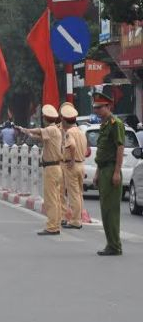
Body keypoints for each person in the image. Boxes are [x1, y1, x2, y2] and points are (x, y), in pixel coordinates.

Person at [19, 105, 63, 236]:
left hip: (51, 168)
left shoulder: (51, 129)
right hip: (55, 168)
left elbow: (40, 131)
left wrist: (27, 129)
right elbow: (40, 137)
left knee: (51, 199)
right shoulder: (54, 131)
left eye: (43, 117)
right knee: (55, 198)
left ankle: (52, 226)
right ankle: (55, 224)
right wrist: (27, 133)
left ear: (46, 118)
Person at [92, 92, 125, 256]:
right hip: (104, 169)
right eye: (95, 108)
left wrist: (117, 172)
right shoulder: (104, 125)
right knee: (105, 209)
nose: (96, 111)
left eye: (99, 107)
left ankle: (115, 245)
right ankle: (110, 243)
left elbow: (120, 148)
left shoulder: (115, 124)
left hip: (112, 169)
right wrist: (97, 172)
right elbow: (102, 152)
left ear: (108, 106)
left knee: (111, 210)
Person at [59, 103, 87, 230]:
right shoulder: (80, 131)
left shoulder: (69, 132)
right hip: (81, 164)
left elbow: (72, 145)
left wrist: (71, 159)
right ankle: (78, 218)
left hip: (72, 165)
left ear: (65, 120)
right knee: (79, 193)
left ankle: (76, 221)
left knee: (73, 194)